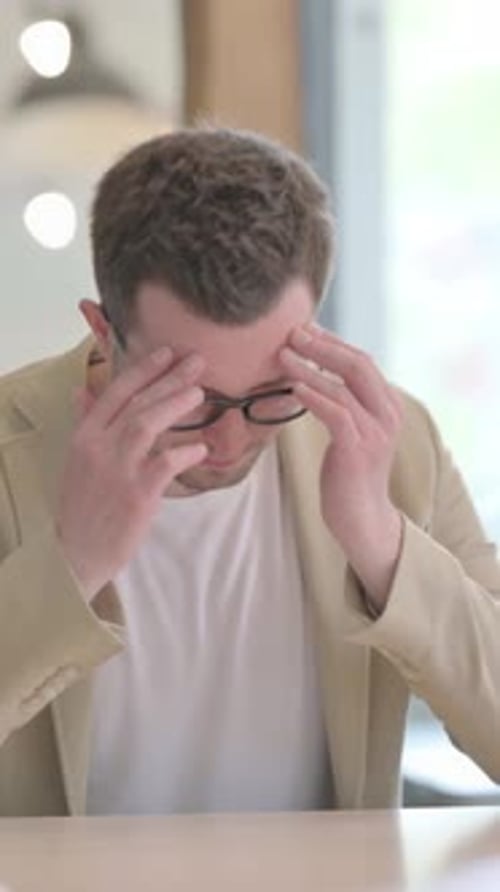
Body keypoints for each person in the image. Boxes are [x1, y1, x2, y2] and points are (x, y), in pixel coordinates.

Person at [0, 126, 499, 818]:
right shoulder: (7, 447)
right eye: (189, 396)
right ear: (103, 329)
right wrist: (72, 565)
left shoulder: (391, 443)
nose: (229, 441)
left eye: (272, 392)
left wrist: (384, 546)